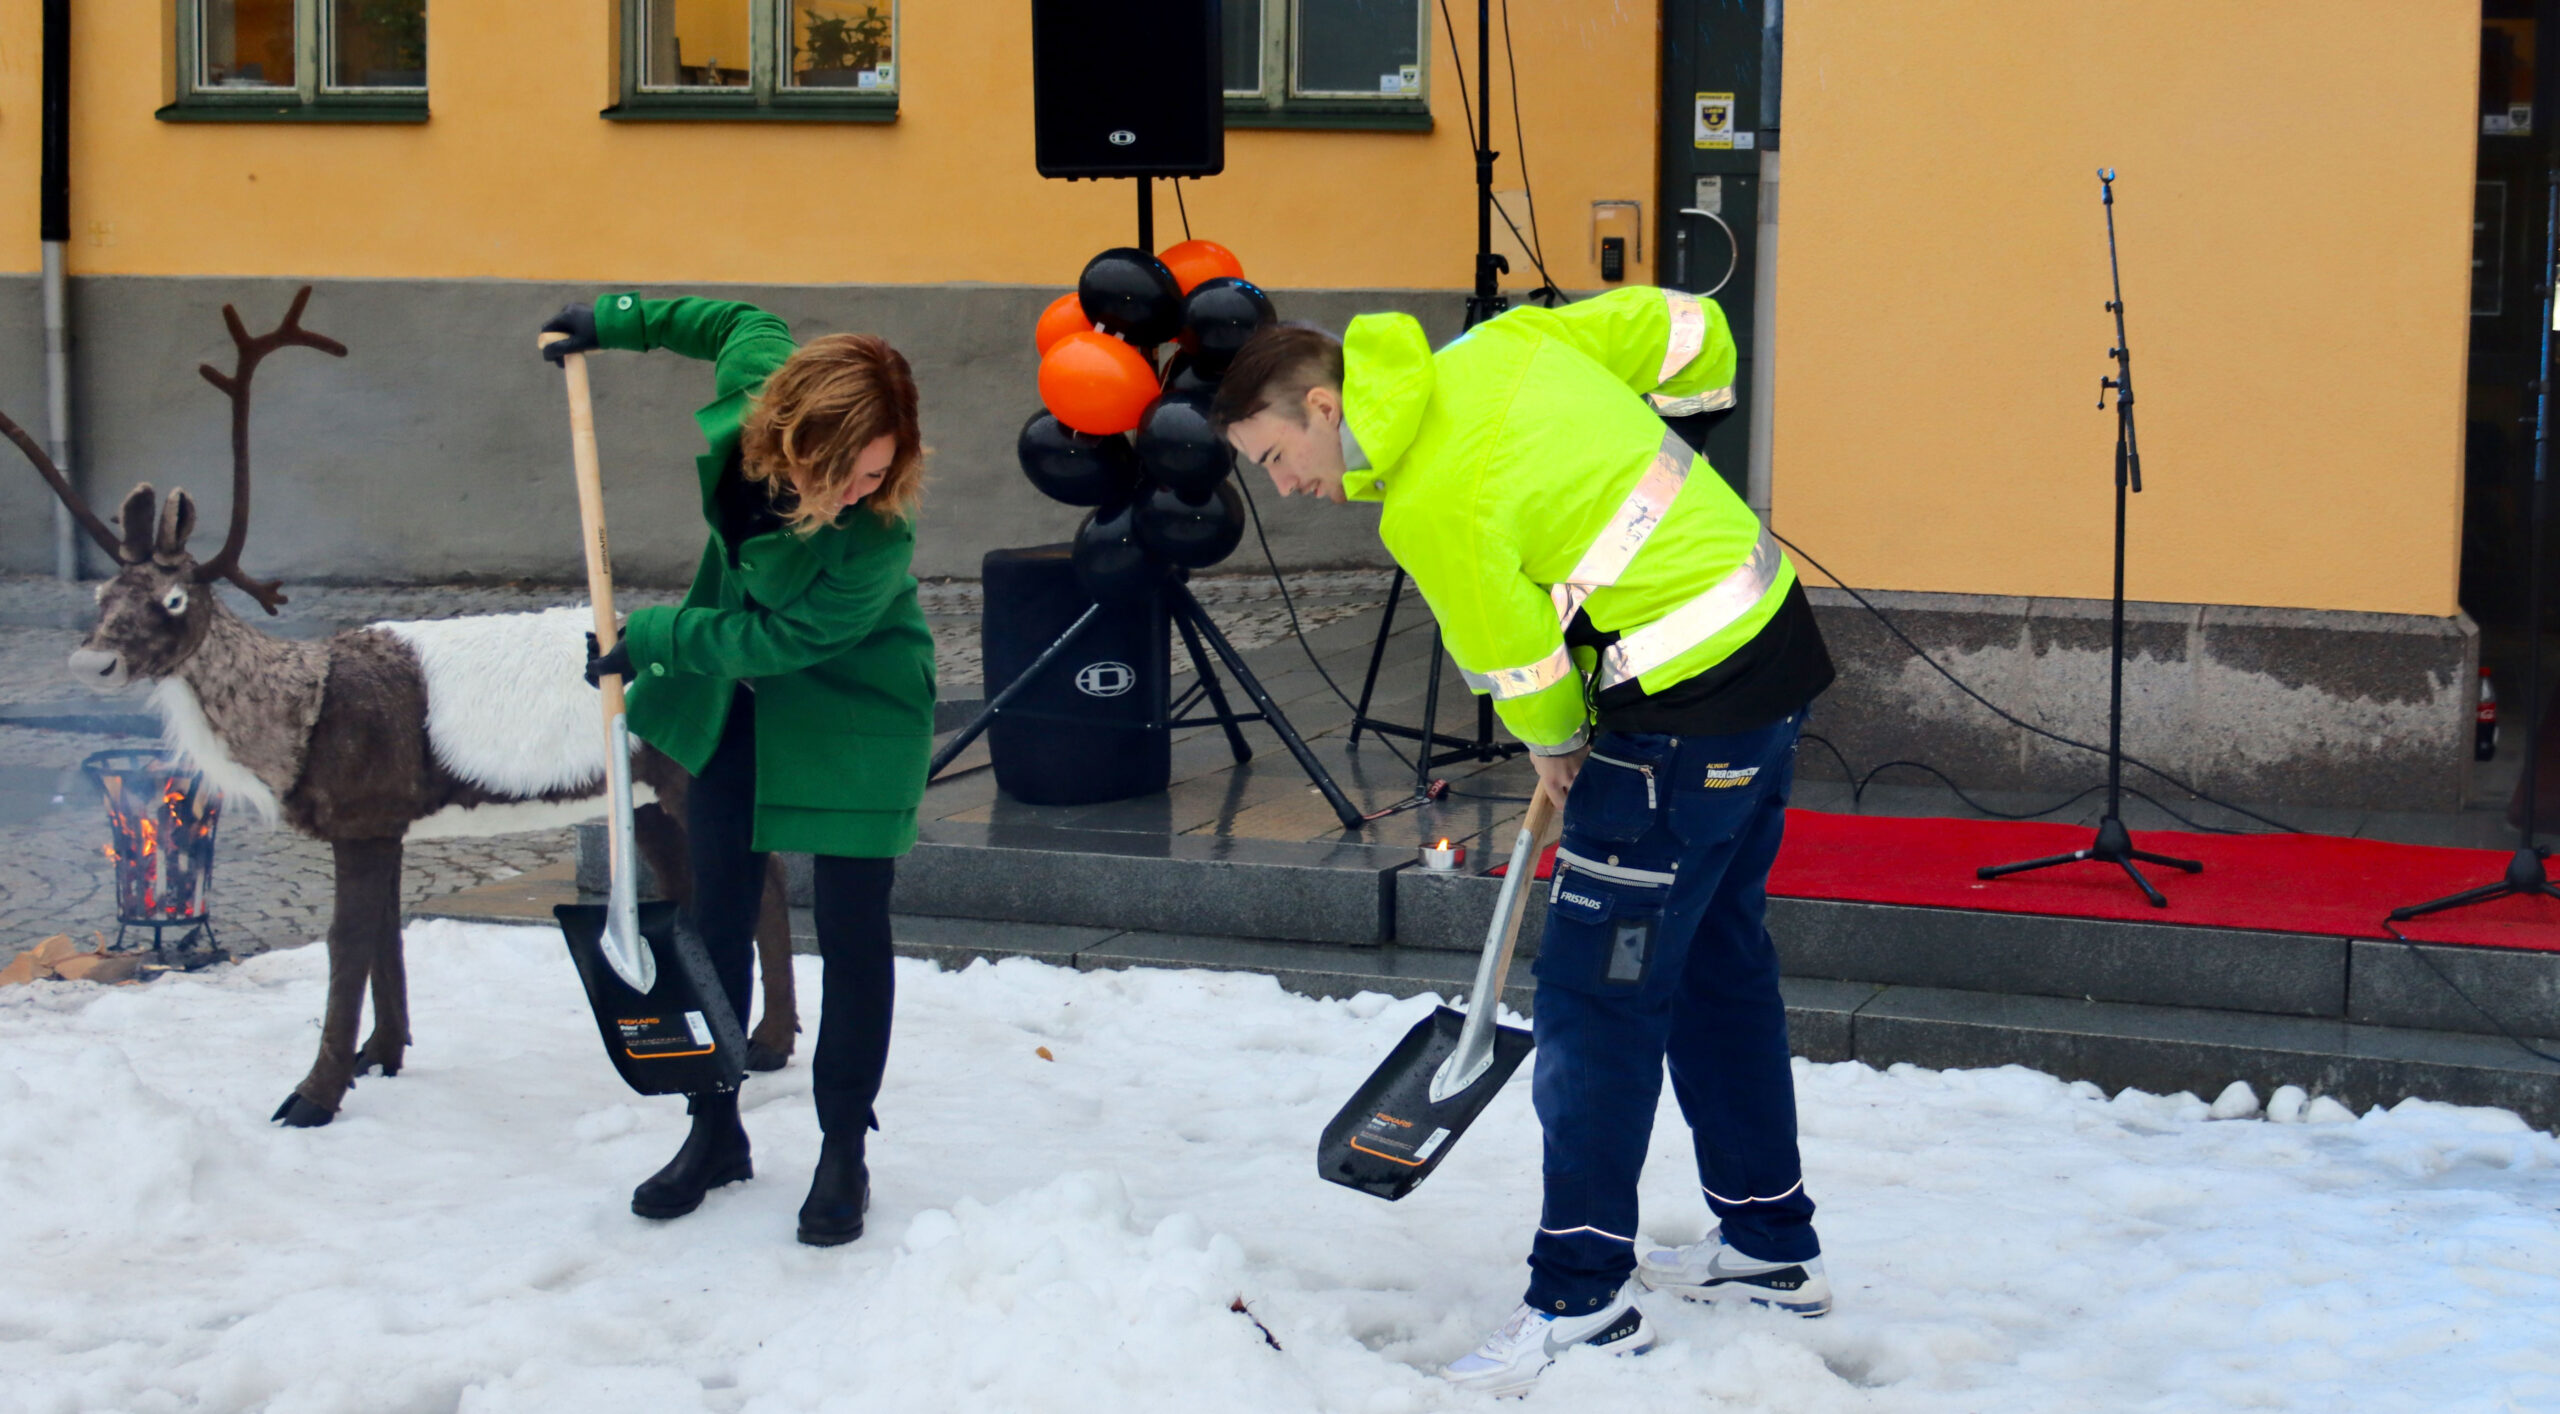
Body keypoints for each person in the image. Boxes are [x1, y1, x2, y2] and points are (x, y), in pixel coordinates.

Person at [1215, 289, 1837, 1395]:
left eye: (1273, 456)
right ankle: (1768, 1241)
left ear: (1324, 407)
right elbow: (1693, 332)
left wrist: (1554, 747)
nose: (1284, 485)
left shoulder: (1428, 501)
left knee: (1597, 1001)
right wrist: (1676, 460)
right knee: (1716, 959)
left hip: (1678, 716)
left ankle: (1580, 1300)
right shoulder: (1502, 342)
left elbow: (1524, 666)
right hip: (1771, 640)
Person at [539, 294, 934, 1246]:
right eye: (844, 472)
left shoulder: (878, 535)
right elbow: (732, 322)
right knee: (714, 909)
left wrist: (653, 635)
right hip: (741, 701)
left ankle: (844, 1148)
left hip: (855, 706)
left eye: (879, 472)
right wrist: (614, 319)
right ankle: (713, 1129)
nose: (861, 491)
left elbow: (786, 637)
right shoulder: (759, 396)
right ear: (792, 439)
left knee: (851, 927)